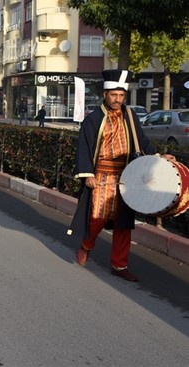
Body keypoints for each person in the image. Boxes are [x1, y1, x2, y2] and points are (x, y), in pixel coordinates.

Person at [70, 69, 171, 282]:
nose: (118, 99)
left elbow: (141, 143)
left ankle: (119, 265)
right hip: (101, 177)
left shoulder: (130, 116)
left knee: (123, 223)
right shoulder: (94, 119)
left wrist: (159, 157)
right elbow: (84, 147)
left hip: (127, 176)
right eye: (114, 95)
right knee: (97, 218)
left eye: (121, 95)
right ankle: (86, 246)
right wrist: (88, 174)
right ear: (105, 94)